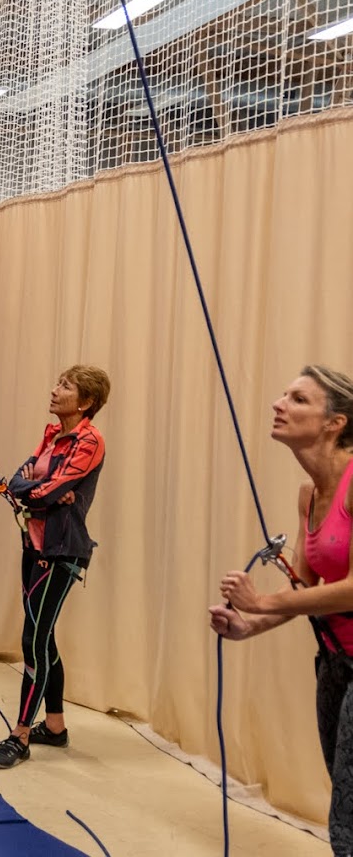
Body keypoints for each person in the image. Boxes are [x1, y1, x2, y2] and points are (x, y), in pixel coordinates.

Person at [212, 365, 353, 853]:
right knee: (345, 793)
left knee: (348, 819)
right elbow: (306, 588)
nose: (278, 403)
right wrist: (247, 625)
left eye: (297, 399)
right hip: (336, 662)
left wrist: (262, 599)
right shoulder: (308, 494)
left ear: (334, 423)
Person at [0, 365, 111, 769]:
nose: (55, 390)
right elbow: (18, 484)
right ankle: (54, 728)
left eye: (66, 386)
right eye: (57, 382)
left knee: (32, 641)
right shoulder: (52, 436)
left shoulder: (89, 440)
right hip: (34, 544)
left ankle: (20, 735)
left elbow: (47, 490)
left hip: (61, 552)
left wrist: (40, 493)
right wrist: (34, 492)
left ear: (86, 402)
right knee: (44, 637)